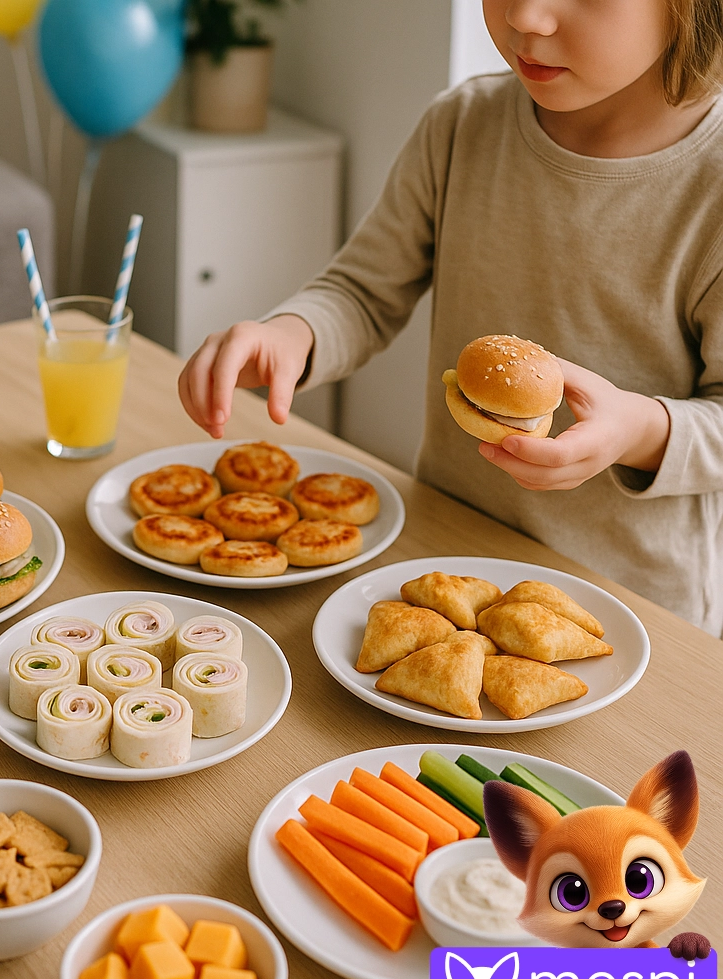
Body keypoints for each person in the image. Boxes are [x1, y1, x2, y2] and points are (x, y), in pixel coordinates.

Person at [177, 0, 723, 635]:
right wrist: (292, 333)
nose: (528, 17)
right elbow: (362, 290)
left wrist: (638, 431)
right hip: (449, 567)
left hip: (628, 613)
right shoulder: (463, 123)